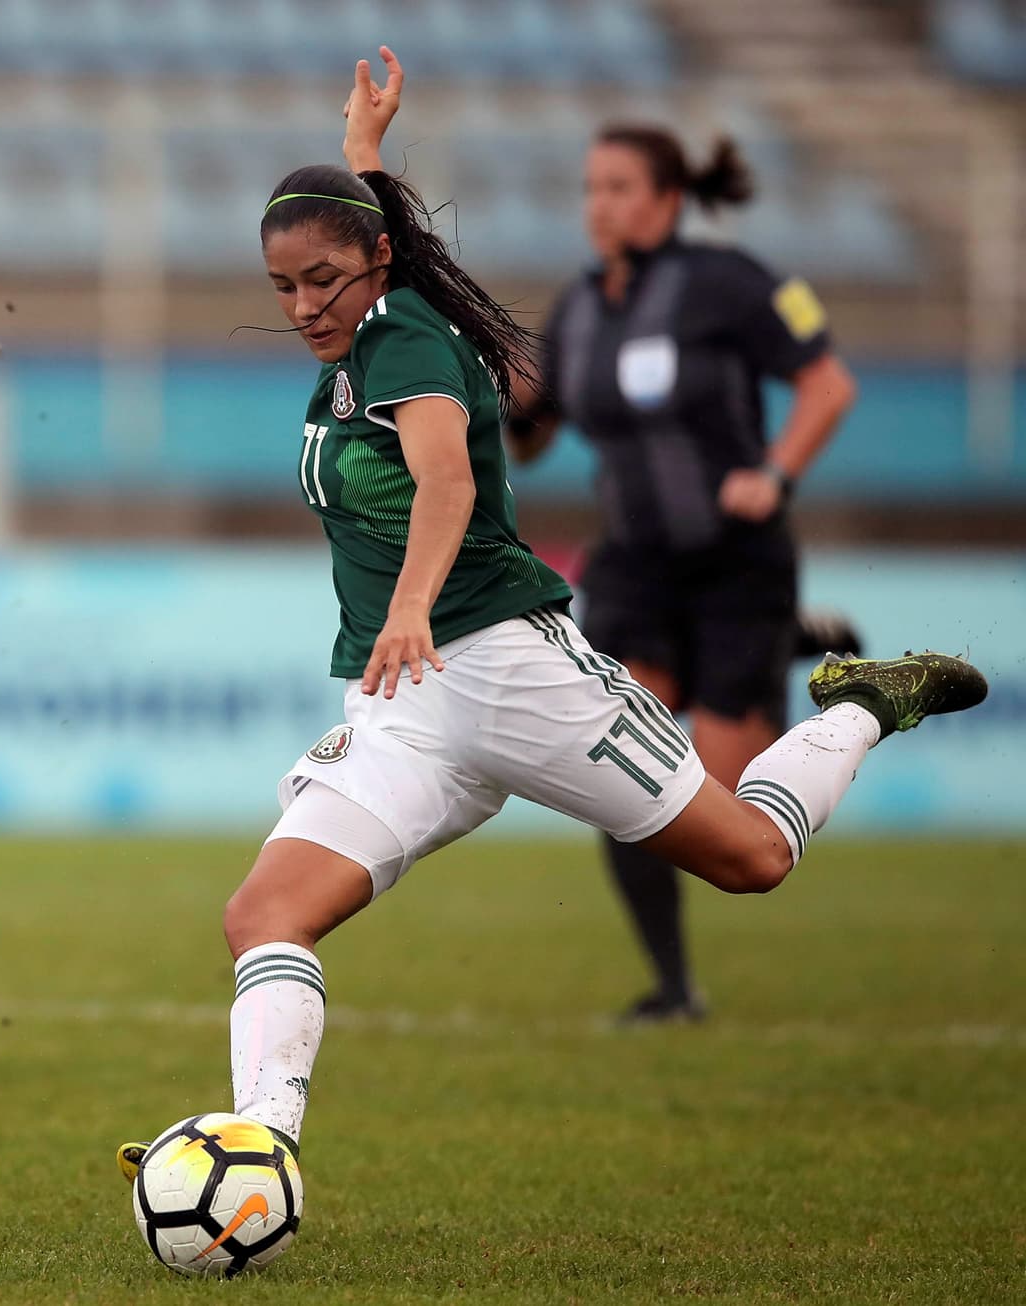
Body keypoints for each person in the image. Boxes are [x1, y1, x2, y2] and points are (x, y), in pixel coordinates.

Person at [118, 49, 986, 1195]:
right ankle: (257, 1152)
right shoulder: (368, 333)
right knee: (262, 914)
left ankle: (866, 703)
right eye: (282, 288)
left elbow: (448, 485)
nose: (302, 306)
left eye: (322, 280)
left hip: (510, 667)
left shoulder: (410, 342)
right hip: (407, 706)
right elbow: (399, 294)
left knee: (751, 858)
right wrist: (362, 157)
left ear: (374, 263)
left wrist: (415, 602)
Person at [504, 123, 861, 1024]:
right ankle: (672, 988)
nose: (600, 205)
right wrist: (492, 394)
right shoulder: (578, 308)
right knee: (625, 776)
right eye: (591, 187)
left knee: (728, 804)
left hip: (736, 566)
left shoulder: (727, 283)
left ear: (667, 198)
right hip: (631, 569)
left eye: (619, 186)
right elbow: (535, 437)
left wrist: (775, 473)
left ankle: (784, 646)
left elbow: (828, 385)